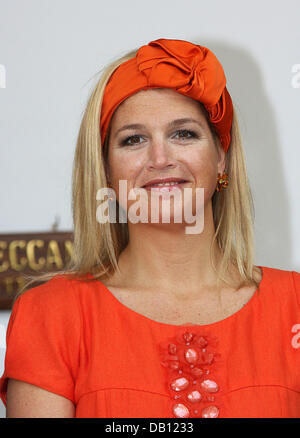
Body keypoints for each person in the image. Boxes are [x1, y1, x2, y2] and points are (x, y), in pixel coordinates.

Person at [0, 38, 299, 418]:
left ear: (221, 157)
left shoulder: (294, 306)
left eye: (183, 134)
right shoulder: (52, 315)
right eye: (134, 139)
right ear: (105, 170)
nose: (160, 158)